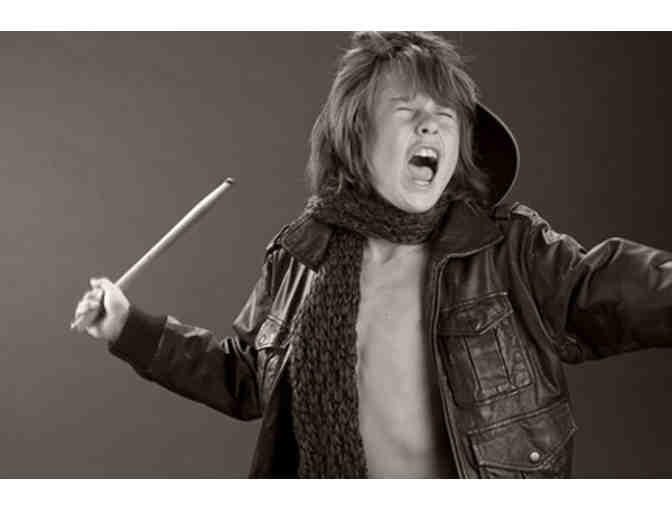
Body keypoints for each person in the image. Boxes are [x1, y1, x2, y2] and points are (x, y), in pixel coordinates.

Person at [72, 31, 672, 478]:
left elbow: (604, 286)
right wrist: (128, 327)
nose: (431, 127)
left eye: (444, 116)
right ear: (356, 138)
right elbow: (246, 378)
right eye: (408, 112)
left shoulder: (507, 248)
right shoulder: (301, 258)